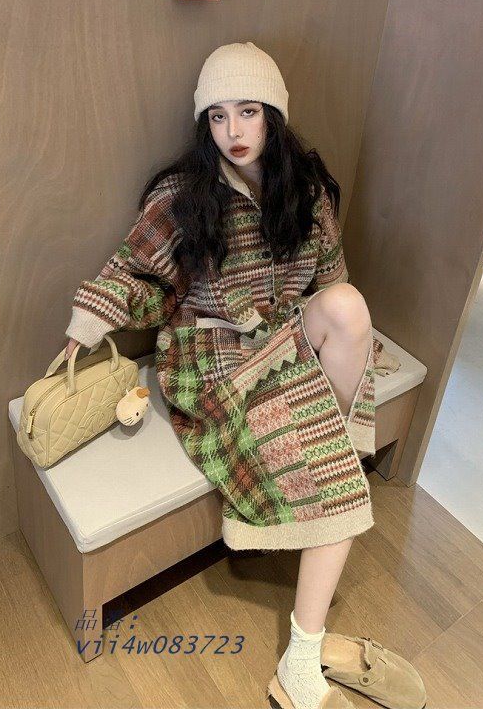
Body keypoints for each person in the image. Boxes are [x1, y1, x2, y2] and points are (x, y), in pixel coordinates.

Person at [63, 42, 423, 709]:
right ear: (205, 122)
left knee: (348, 305)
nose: (233, 130)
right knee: (331, 476)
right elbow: (136, 273)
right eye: (218, 115)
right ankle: (302, 663)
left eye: (249, 112)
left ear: (274, 116)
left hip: (280, 333)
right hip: (209, 355)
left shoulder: (306, 189)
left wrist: (353, 338)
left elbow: (331, 277)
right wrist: (89, 323)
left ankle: (321, 472)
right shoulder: (183, 195)